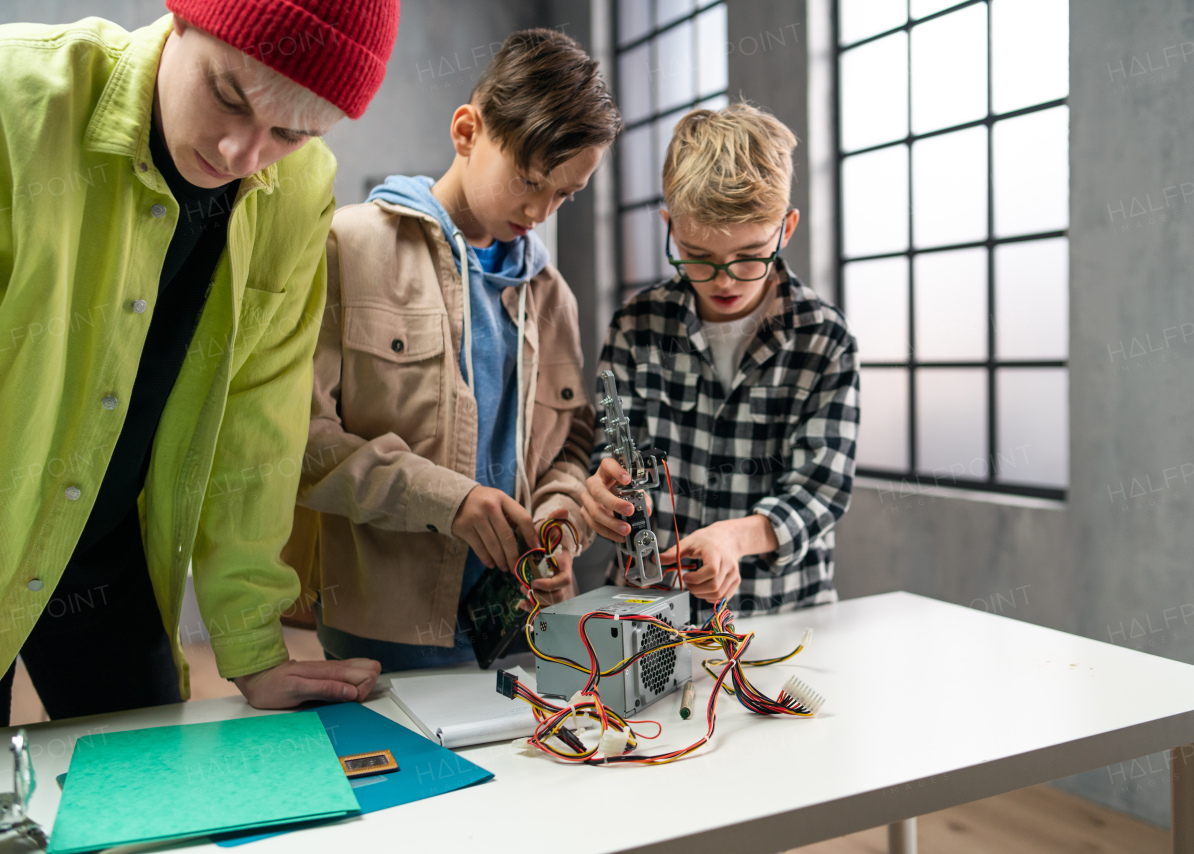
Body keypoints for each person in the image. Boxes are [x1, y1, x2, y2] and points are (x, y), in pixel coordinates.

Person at [0, 0, 400, 721]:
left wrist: (255, 645)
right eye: (227, 96)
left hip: (105, 550)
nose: (239, 156)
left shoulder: (299, 190)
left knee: (150, 804)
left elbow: (259, 421)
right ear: (182, 19)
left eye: (288, 132)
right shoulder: (15, 98)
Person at [283, 29, 621, 668]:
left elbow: (571, 446)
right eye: (529, 180)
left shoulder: (552, 296)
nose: (543, 210)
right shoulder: (347, 246)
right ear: (467, 132)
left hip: (523, 622)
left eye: (565, 194)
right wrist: (448, 501)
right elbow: (299, 439)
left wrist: (558, 523)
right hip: (384, 626)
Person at [579, 103, 859, 622]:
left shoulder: (824, 338)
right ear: (669, 227)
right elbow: (607, 451)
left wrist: (735, 537)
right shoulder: (637, 326)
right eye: (698, 257)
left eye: (750, 256)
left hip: (778, 618)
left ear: (786, 228)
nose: (725, 280)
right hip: (647, 614)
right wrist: (599, 489)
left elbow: (820, 489)